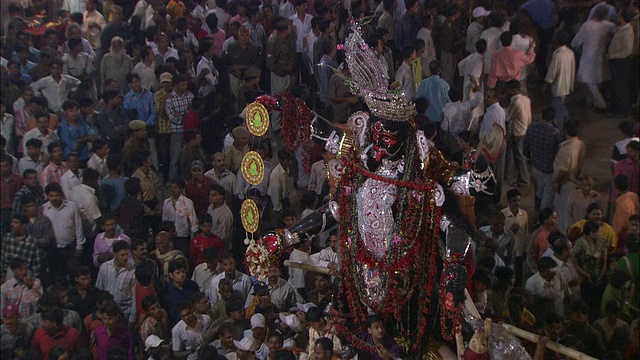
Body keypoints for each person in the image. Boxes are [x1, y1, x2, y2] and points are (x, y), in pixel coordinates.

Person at [571, 6, 615, 110]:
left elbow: (576, 41)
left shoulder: (587, 25)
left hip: (588, 56)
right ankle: (591, 100)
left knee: (589, 81)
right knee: (597, 79)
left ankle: (600, 103)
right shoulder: (610, 26)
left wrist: (576, 48)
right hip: (602, 55)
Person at [41, 182, 85, 284]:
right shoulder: (43, 210)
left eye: (56, 195)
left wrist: (79, 246)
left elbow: (78, 226)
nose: (54, 198)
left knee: (74, 275)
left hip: (71, 247)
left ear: (61, 194)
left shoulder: (71, 207)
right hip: (54, 250)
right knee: (57, 277)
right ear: (47, 196)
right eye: (51, 196)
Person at [523, 107, 564, 210]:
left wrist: (529, 157)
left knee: (540, 188)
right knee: (548, 191)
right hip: (549, 167)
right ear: (553, 118)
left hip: (536, 164)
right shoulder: (555, 132)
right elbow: (559, 151)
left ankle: (537, 207)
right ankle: (542, 212)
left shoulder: (532, 127)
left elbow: (526, 146)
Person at [553, 120, 586, 231]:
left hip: (566, 184)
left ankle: (564, 237)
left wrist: (556, 183)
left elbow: (562, 171)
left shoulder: (565, 150)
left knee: (563, 214)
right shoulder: (581, 144)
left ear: (565, 131)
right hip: (576, 181)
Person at [95, 240, 136, 326]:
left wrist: (132, 319)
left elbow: (134, 297)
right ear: (114, 254)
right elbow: (99, 289)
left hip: (125, 313)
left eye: (127, 255)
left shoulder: (133, 271)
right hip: (107, 313)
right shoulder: (105, 267)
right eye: (122, 255)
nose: (125, 258)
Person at [574, 220, 609, 318]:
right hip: (584, 278)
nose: (599, 234)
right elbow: (574, 261)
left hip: (599, 277)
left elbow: (604, 261)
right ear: (590, 233)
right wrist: (584, 274)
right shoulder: (580, 243)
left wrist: (601, 275)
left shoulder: (601, 243)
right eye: (597, 232)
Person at [165, 74, 194, 182]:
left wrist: (181, 114)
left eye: (186, 84)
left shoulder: (190, 95)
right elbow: (172, 117)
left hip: (189, 132)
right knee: (175, 159)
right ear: (175, 85)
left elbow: (193, 112)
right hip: (177, 133)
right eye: (182, 84)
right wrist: (185, 116)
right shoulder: (170, 99)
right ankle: (172, 182)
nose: (185, 87)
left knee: (189, 157)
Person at [544, 31, 575, 129]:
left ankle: (559, 127)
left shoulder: (557, 54)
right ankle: (567, 119)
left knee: (557, 108)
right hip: (567, 83)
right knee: (561, 104)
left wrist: (547, 83)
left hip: (558, 85)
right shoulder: (570, 52)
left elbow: (552, 71)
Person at [607, 9, 635, 117]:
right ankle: (615, 109)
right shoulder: (621, 28)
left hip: (621, 62)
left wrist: (613, 55)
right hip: (615, 61)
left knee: (620, 86)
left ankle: (622, 111)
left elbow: (627, 50)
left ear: (622, 17)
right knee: (615, 85)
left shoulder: (628, 31)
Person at [266, 17, 296, 94]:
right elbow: (270, 64)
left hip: (288, 75)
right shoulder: (272, 42)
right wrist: (285, 68)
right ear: (284, 29)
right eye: (289, 26)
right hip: (278, 76)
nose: (292, 27)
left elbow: (292, 55)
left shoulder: (290, 39)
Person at [525, 208, 558, 274]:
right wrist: (536, 271)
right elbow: (530, 255)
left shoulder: (556, 231)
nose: (556, 220)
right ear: (545, 220)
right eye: (553, 218)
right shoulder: (537, 234)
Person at [269, 149, 293, 213]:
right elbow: (275, 195)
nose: (290, 162)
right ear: (281, 161)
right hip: (278, 204)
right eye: (287, 160)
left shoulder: (286, 169)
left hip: (285, 199)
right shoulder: (276, 175)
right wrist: (279, 209)